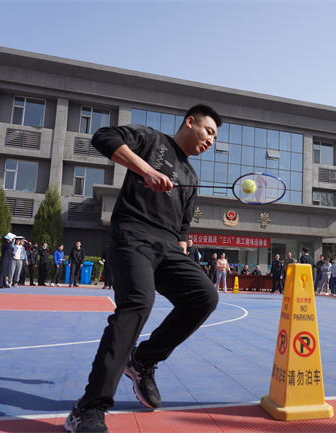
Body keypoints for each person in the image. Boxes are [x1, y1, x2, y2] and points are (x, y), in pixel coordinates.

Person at [65, 104, 222, 433]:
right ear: (190, 122)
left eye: (215, 138)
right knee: (138, 303)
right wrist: (145, 170)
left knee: (205, 296)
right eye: (208, 131)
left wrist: (182, 251)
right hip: (133, 235)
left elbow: (183, 227)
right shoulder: (152, 140)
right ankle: (89, 408)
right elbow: (103, 137)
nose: (211, 140)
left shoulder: (191, 177)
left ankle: (144, 359)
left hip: (169, 248)